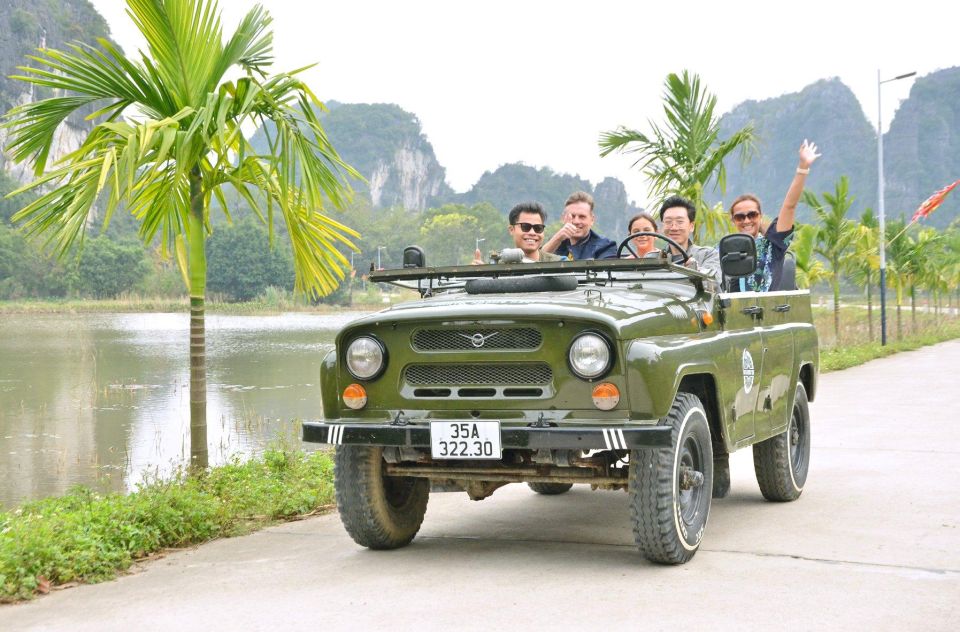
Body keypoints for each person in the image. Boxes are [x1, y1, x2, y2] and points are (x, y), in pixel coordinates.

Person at [730, 139, 821, 292]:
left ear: (760, 216)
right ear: (733, 221)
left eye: (752, 214)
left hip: (770, 312)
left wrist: (803, 167)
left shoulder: (773, 244)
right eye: (740, 217)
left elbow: (789, 206)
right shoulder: (725, 250)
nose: (746, 220)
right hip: (736, 313)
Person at [658, 195, 722, 284]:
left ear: (691, 226)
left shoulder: (708, 254)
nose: (674, 227)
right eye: (668, 222)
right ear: (662, 226)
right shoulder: (654, 258)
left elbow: (714, 281)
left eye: (680, 222)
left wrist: (696, 270)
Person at [472, 202, 562, 264]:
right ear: (511, 229)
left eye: (538, 228)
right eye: (525, 227)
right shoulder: (498, 268)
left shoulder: (558, 264)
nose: (532, 232)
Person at [542, 191, 617, 260]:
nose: (576, 221)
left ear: (592, 220)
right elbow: (536, 261)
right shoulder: (555, 243)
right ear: (563, 218)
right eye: (572, 216)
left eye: (582, 217)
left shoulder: (605, 246)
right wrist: (558, 238)